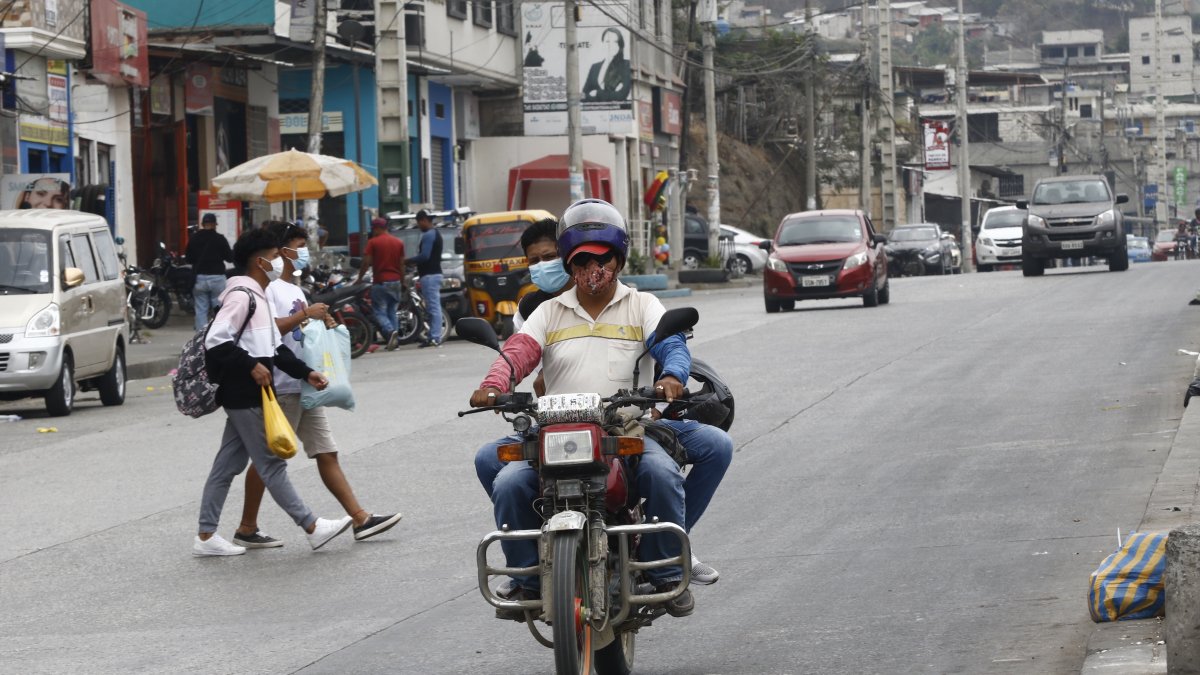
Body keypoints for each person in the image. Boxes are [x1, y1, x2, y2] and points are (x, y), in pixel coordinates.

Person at [469, 199, 732, 619]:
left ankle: (665, 563)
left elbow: (671, 347)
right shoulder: (548, 312)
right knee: (501, 475)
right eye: (580, 260)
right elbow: (519, 352)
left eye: (601, 258)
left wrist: (672, 378)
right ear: (569, 264)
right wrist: (494, 383)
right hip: (554, 432)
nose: (592, 268)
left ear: (619, 259)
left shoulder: (643, 305)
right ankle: (528, 576)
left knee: (685, 461)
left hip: (625, 430)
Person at [232, 222, 403, 549]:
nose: (303, 253)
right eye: (299, 245)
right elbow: (266, 331)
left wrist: (320, 319)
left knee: (326, 451)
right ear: (281, 252)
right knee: (269, 459)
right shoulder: (268, 289)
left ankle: (360, 518)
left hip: (304, 383)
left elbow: (299, 327)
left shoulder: (294, 288)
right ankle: (247, 526)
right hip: (283, 385)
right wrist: (304, 315)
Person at [195, 228, 352, 556]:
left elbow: (275, 349)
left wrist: (307, 372)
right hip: (244, 391)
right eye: (276, 255)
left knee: (227, 465)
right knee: (271, 462)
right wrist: (251, 365)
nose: (281, 261)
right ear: (259, 260)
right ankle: (311, 526)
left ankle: (206, 536)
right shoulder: (242, 295)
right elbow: (217, 340)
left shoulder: (258, 295)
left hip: (249, 392)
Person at [356, 217, 406, 350]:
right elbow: (402, 264)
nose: (373, 231)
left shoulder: (373, 242)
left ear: (378, 228)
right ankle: (395, 343)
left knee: (379, 312)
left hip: (381, 281)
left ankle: (390, 331)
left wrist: (360, 278)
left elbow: (366, 262)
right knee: (392, 311)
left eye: (373, 228)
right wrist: (403, 281)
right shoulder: (398, 242)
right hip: (396, 281)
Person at [186, 213, 234, 332]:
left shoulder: (194, 238)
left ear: (203, 224)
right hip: (217, 277)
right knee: (219, 309)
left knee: (201, 310)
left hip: (200, 278)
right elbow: (229, 258)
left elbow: (189, 259)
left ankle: (201, 338)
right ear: (214, 225)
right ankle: (219, 335)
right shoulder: (220, 239)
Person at [408, 209, 444, 347]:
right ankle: (432, 336)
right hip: (433, 274)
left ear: (423, 220)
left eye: (418, 223)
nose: (418, 226)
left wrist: (407, 261)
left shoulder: (429, 235)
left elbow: (424, 256)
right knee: (432, 306)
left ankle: (435, 337)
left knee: (433, 307)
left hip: (430, 275)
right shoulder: (435, 234)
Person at [583, 28, 632, 103]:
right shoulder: (595, 67)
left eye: (615, 42)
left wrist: (597, 93)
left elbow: (622, 95)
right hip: (592, 112)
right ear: (602, 43)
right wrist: (611, 94)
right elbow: (583, 95)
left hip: (617, 113)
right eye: (607, 41)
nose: (611, 45)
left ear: (620, 45)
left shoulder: (626, 65)